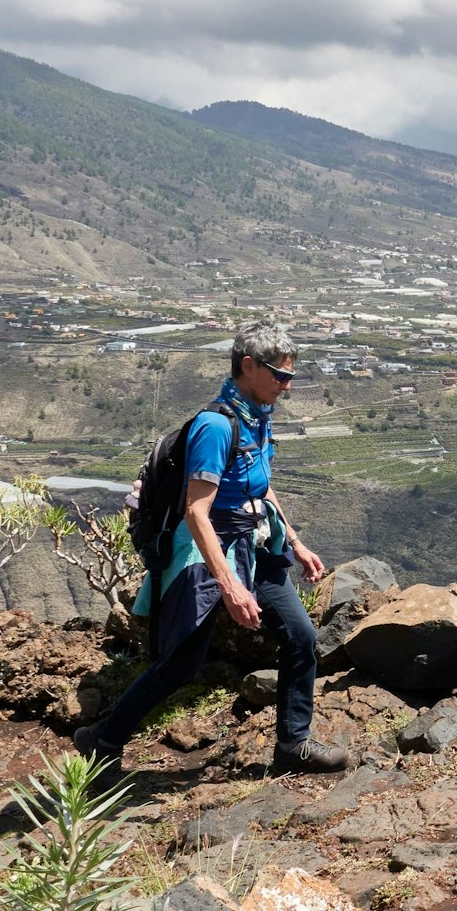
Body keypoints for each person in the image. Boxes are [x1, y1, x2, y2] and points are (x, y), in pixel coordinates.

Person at [74, 320, 348, 783]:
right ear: (247, 366)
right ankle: (102, 740)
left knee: (301, 636)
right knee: (180, 665)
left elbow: (259, 486)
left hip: (254, 544)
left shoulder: (257, 416)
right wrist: (230, 586)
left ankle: (292, 744)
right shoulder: (216, 426)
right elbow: (196, 512)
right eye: (280, 375)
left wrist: (296, 542)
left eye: (290, 377)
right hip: (210, 554)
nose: (287, 385)